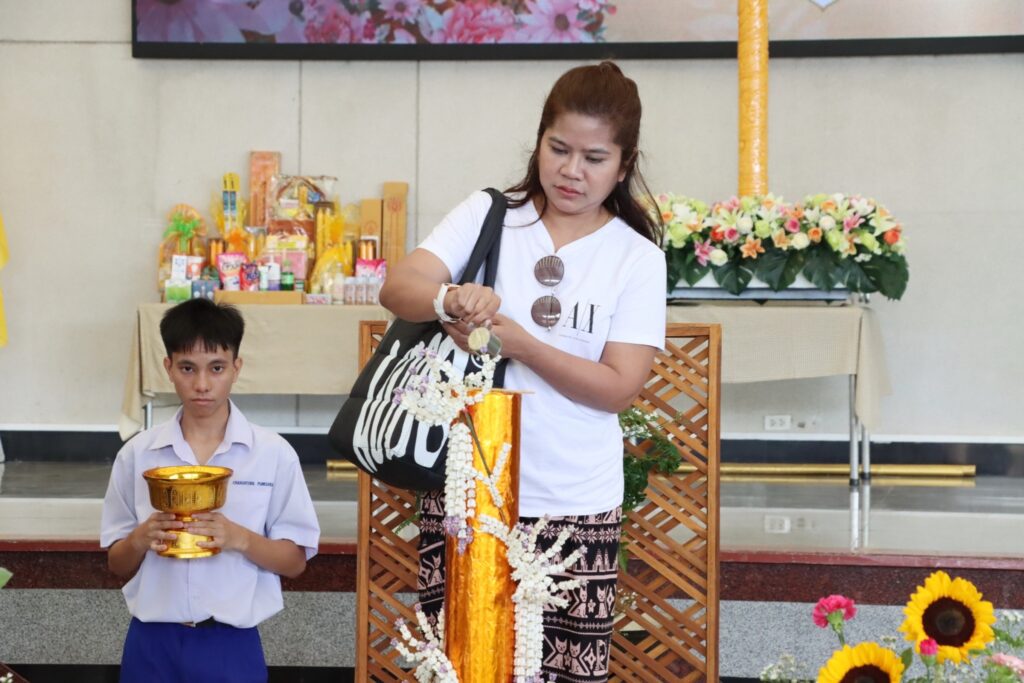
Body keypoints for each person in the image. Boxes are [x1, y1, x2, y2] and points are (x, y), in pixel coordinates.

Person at [379, 61, 666, 682]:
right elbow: (398, 287)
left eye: (594, 158)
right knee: (459, 669)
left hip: (575, 504)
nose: (571, 170)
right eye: (558, 149)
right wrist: (448, 299)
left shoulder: (636, 258)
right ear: (538, 141)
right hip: (468, 494)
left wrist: (525, 347)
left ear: (624, 164)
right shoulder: (491, 215)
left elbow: (619, 388)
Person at [100, 298, 320, 683]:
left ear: (237, 368)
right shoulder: (137, 454)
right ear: (168, 368)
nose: (202, 384)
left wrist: (239, 538)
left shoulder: (272, 454)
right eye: (187, 368)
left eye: (216, 368)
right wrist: (139, 539)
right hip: (151, 643)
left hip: (231, 644)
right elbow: (117, 563)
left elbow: (295, 562)